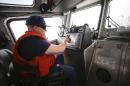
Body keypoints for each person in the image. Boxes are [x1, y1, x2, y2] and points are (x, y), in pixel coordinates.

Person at [12, 15, 76, 86]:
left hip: (35, 69)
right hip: (36, 77)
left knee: (59, 55)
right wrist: (65, 41)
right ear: (35, 28)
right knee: (71, 70)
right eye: (44, 27)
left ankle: (60, 76)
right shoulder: (33, 41)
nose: (45, 30)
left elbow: (50, 49)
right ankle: (59, 74)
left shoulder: (28, 39)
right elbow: (61, 49)